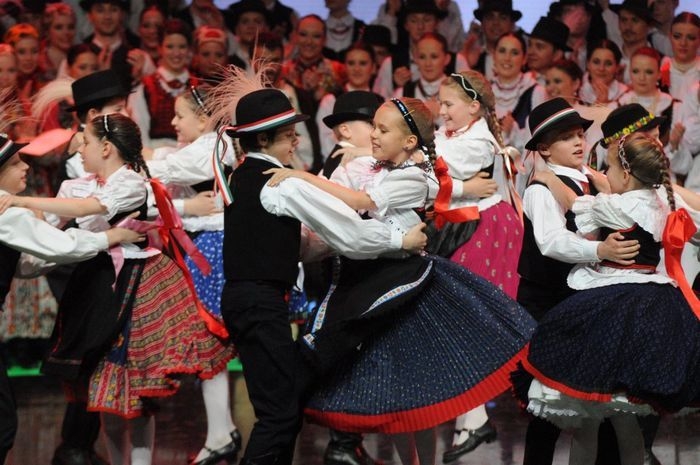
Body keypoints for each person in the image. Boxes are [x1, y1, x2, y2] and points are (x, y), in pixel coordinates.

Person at [263, 97, 535, 465]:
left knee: (415, 392)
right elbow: (345, 199)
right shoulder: (366, 165)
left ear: (409, 141)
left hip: (405, 284)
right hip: (370, 279)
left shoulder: (414, 177)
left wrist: (301, 176)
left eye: (382, 129)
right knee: (393, 395)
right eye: (373, 127)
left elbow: (362, 201)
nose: (374, 135)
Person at [212, 82, 428, 465]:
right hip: (260, 303)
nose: (296, 141)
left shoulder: (244, 175)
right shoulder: (281, 183)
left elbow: (307, 245)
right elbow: (350, 234)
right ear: (263, 139)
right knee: (280, 414)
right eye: (288, 134)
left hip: (247, 300)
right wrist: (400, 240)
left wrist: (337, 242)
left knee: (283, 405)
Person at [4, 113, 234, 465]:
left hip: (135, 281)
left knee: (137, 392)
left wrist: (24, 201)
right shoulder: (75, 185)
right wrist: (29, 255)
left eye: (86, 142)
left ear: (106, 148)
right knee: (104, 389)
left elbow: (91, 208)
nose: (79, 149)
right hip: (95, 283)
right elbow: (49, 236)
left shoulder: (130, 182)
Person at [523, 132, 700, 465]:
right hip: (652, 301)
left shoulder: (616, 206)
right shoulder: (663, 201)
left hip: (613, 303)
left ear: (626, 174)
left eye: (611, 168)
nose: (606, 174)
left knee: (589, 419)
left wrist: (550, 179)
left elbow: (577, 205)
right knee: (624, 421)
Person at [0, 129, 142, 465]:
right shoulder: (7, 211)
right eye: (16, 163)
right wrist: (111, 236)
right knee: (3, 424)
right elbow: (62, 246)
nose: (26, 168)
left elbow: (27, 265)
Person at [517, 98, 640, 465]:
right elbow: (551, 242)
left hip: (584, 300)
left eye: (579, 135)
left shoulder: (593, 179)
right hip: (548, 301)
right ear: (544, 148)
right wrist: (600, 250)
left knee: (599, 401)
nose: (577, 142)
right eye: (566, 137)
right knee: (550, 404)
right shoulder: (541, 188)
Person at [434, 70, 523, 463]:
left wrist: (416, 153)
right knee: (462, 324)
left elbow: (433, 166)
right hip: (462, 226)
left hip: (484, 229)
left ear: (473, 107)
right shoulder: (451, 134)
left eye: (448, 103)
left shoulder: (478, 141)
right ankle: (470, 419)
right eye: (440, 103)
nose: (441, 110)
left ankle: (474, 419)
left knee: (472, 322)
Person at [129, 19, 197, 150]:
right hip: (154, 157)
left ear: (189, 49)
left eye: (182, 47)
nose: (176, 53)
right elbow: (140, 138)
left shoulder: (200, 87)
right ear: (160, 48)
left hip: (193, 156)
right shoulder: (144, 88)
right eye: (170, 47)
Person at [316, 42, 379, 159]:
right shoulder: (330, 100)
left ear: (374, 67)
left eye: (363, 63)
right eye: (351, 63)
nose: (356, 69)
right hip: (340, 161)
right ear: (344, 67)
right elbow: (325, 145)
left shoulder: (383, 101)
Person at [579, 39, 628, 106]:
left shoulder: (626, 94)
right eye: (596, 62)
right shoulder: (575, 90)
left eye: (608, 64)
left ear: (617, 67)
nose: (601, 68)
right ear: (588, 64)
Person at [526, 17, 571, 87]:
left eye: (539, 47)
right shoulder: (519, 80)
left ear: (557, 55)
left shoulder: (567, 86)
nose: (530, 52)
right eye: (529, 45)